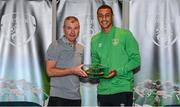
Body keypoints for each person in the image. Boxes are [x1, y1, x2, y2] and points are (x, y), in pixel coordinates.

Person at [91, 5, 141, 106]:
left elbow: (136, 60)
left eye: (107, 15)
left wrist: (117, 72)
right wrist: (91, 71)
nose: (104, 18)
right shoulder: (95, 40)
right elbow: (96, 65)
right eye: (100, 16)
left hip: (122, 89)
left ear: (112, 17)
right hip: (103, 91)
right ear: (97, 17)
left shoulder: (125, 35)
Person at [46, 16, 87, 106]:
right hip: (58, 98)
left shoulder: (81, 48)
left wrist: (90, 73)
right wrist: (72, 70)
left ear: (79, 29)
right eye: (69, 28)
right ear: (64, 29)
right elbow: (50, 71)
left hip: (76, 98)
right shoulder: (55, 46)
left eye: (75, 28)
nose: (72, 32)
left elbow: (79, 72)